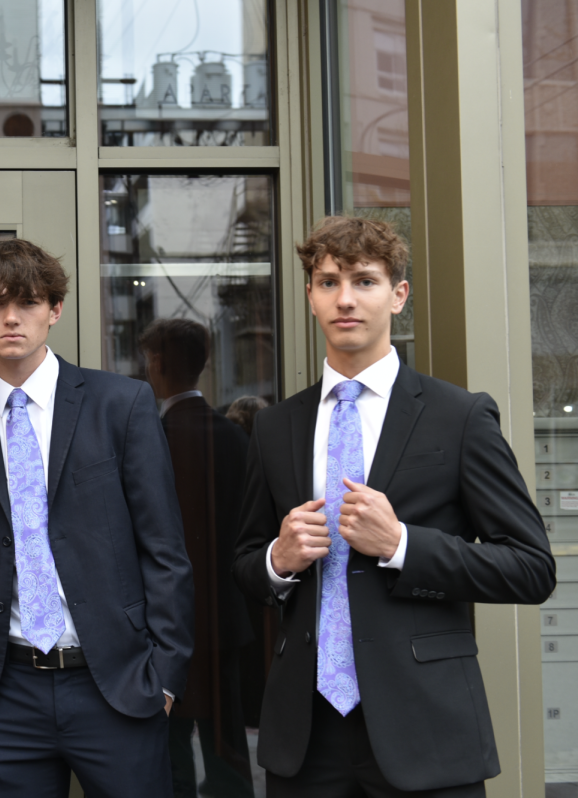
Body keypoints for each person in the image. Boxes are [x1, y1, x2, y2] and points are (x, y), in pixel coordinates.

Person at [232, 216, 556, 797]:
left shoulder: (458, 417)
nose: (346, 298)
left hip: (424, 728)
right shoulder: (276, 427)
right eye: (328, 282)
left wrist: (403, 545)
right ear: (310, 295)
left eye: (365, 280)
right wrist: (278, 561)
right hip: (305, 735)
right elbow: (248, 564)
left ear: (398, 295)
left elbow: (531, 568)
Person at [0, 239, 195, 798]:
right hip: (3, 695)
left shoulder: (121, 405)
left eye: (27, 302)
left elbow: (164, 550)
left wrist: (164, 677)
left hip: (117, 685)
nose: (11, 318)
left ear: (53, 310)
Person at [140, 318, 255, 798]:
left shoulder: (155, 438)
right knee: (225, 741)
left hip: (164, 617)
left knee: (167, 742)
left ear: (160, 365)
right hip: (225, 616)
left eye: (148, 362)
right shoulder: (231, 436)